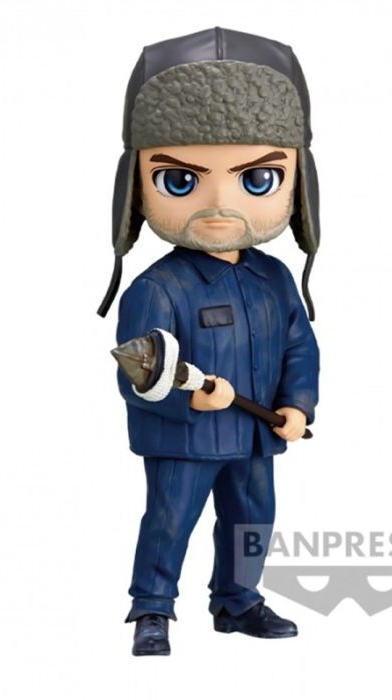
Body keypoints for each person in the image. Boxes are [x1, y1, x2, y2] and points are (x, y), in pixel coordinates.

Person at [97, 27, 321, 656]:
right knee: (170, 521)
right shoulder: (158, 288)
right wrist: (187, 399)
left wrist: (297, 404)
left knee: (252, 521)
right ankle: (152, 608)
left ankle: (238, 599)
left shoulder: (273, 278)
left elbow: (300, 346)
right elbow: (137, 370)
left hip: (254, 432)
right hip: (185, 439)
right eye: (180, 179)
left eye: (257, 179)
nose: (220, 203)